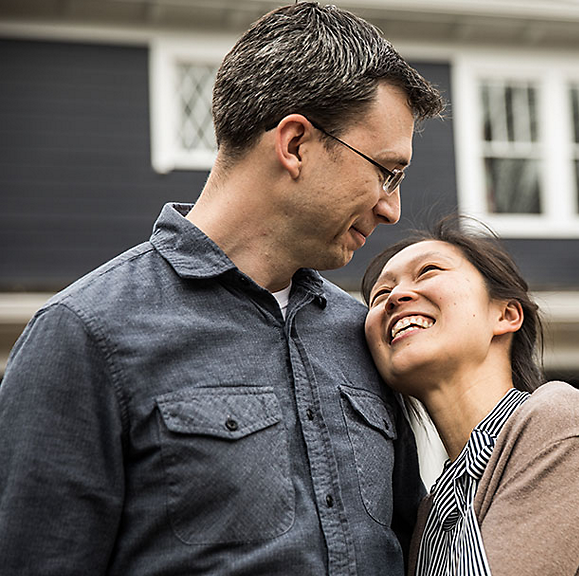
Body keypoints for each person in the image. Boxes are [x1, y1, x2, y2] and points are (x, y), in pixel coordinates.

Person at [0, 3, 444, 574]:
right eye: (386, 170)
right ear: (296, 145)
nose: (391, 207)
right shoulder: (84, 336)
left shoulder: (363, 332)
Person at [361, 218, 579, 576]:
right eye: (379, 295)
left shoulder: (561, 423)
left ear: (505, 314)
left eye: (428, 272)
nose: (395, 297)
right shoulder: (431, 509)